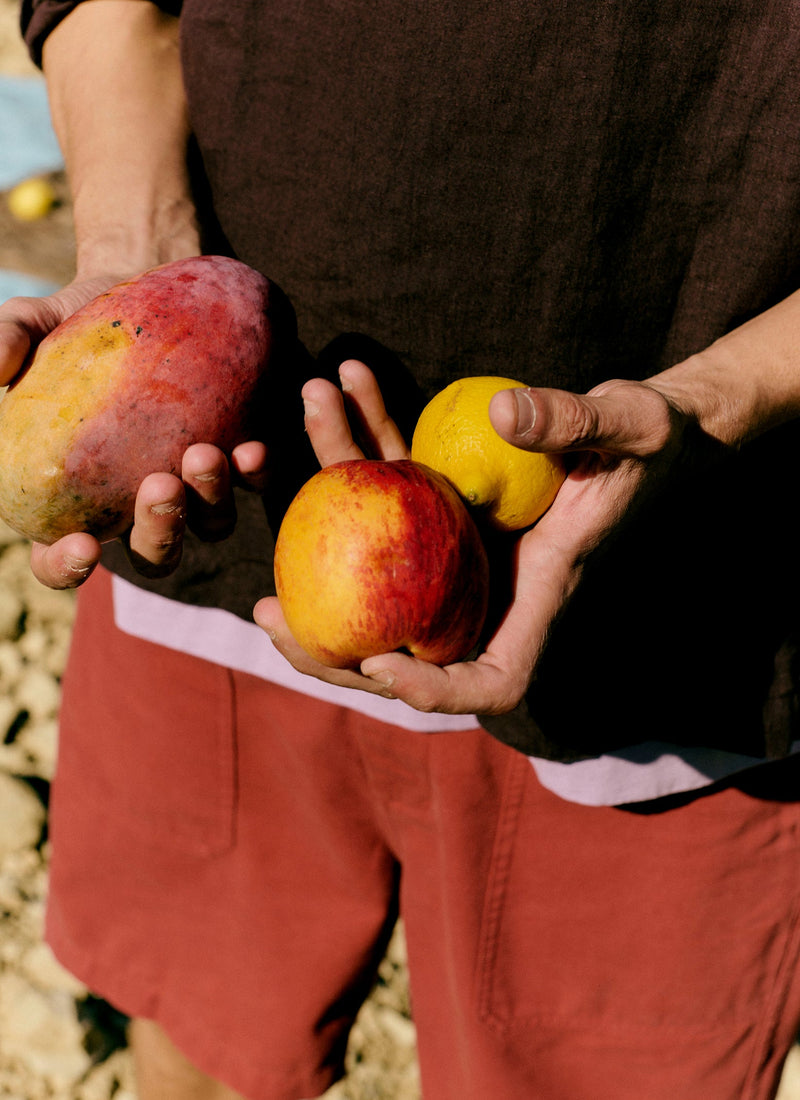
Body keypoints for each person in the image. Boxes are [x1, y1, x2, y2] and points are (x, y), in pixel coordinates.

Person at [3, 0, 800, 1096]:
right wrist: (141, 269)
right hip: (230, 531)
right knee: (203, 1030)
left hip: (680, 621)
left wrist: (716, 399)